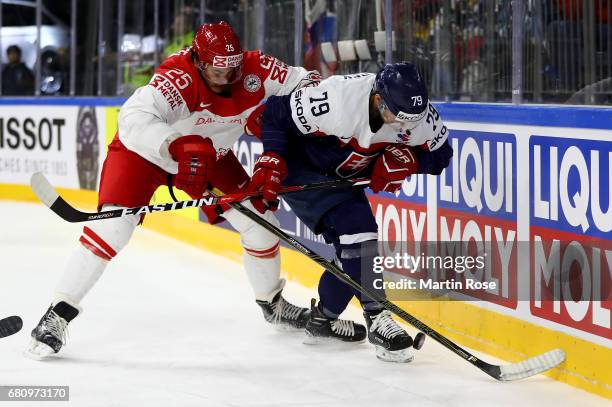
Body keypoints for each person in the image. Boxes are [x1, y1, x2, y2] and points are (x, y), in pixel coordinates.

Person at [27, 21, 322, 359]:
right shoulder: (177, 78)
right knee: (111, 229)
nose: (227, 78)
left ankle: (273, 304)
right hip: (144, 155)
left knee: (262, 223)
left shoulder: (259, 69)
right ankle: (56, 314)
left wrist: (285, 114)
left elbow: (309, 84)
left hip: (211, 157)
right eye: (217, 70)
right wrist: (174, 145)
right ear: (198, 61)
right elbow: (134, 118)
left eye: (233, 69)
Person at [246, 63, 453, 362]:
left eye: (411, 122)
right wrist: (272, 157)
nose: (404, 128)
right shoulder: (337, 99)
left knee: (356, 247)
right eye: (397, 119)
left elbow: (441, 155)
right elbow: (276, 112)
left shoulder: (417, 115)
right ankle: (378, 317)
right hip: (305, 167)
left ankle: (323, 320)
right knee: (360, 230)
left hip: (341, 174)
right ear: (378, 100)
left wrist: (411, 160)